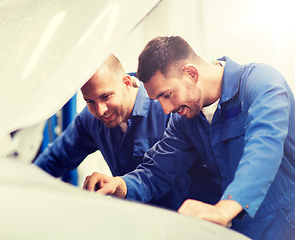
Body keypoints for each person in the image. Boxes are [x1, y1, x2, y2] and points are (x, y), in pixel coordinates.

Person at [83, 36, 295, 239]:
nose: (166, 109)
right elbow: (157, 170)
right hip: (244, 230)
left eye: (167, 95)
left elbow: (264, 147)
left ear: (191, 74)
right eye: (158, 100)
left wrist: (225, 208)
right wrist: (120, 185)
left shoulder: (260, 83)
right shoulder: (186, 120)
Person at [34, 54, 218, 210]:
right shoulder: (91, 120)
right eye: (90, 101)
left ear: (127, 83)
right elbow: (54, 160)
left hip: (185, 224)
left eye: (106, 96)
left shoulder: (168, 109)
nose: (101, 110)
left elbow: (203, 173)